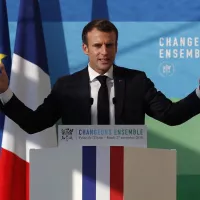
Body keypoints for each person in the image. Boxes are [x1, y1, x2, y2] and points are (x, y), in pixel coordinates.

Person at [0, 19, 200, 134]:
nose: (104, 51)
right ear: (85, 48)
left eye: (109, 45)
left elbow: (172, 116)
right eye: (97, 45)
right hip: (80, 173)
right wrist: (4, 92)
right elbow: (34, 123)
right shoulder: (66, 86)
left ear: (116, 47)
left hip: (127, 170)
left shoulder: (137, 81)